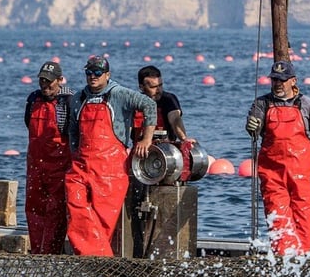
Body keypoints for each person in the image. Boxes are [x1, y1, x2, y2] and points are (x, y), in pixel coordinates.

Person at [66, 55, 157, 256]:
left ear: (107, 75)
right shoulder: (78, 98)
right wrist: (75, 154)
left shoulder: (119, 94)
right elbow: (73, 130)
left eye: (98, 73)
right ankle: (97, 257)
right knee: (75, 204)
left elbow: (150, 106)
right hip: (81, 165)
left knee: (102, 221)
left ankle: (96, 259)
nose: (93, 76)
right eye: (89, 72)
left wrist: (146, 139)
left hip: (111, 171)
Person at [245, 60, 310, 255]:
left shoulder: (306, 105)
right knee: (278, 223)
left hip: (303, 174)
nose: (278, 84)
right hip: (273, 175)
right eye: (274, 80)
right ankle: (284, 265)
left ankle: (304, 261)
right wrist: (252, 126)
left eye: (282, 80)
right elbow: (253, 132)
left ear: (293, 81)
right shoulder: (262, 103)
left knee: (304, 222)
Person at [129, 65, 196, 257]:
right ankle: (137, 250)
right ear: (141, 87)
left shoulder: (168, 99)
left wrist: (184, 138)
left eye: (160, 85)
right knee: (136, 205)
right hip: (140, 157)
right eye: (151, 86)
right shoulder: (135, 102)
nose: (157, 90)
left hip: (165, 157)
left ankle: (166, 251)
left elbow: (175, 119)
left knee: (165, 202)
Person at [23, 60, 73, 254]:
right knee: (34, 209)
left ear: (59, 80)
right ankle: (37, 251)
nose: (45, 85)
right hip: (36, 165)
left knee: (55, 212)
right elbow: (29, 123)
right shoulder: (33, 99)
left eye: (49, 81)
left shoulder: (68, 101)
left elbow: (72, 133)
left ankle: (50, 252)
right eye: (42, 81)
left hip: (59, 166)